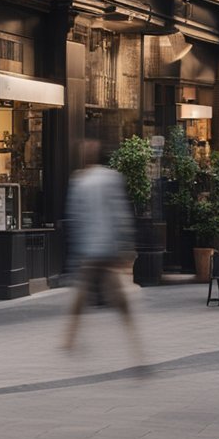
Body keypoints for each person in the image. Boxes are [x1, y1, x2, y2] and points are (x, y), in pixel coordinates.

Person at [62, 140, 143, 364]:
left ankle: (69, 340)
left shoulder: (79, 180)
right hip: (106, 249)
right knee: (116, 300)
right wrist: (125, 245)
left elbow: (74, 219)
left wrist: (74, 255)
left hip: (90, 250)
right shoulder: (110, 178)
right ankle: (136, 347)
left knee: (83, 296)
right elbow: (120, 213)